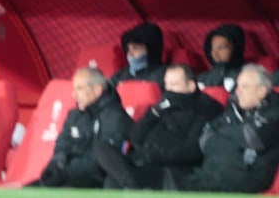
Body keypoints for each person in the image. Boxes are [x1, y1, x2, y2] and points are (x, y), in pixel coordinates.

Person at [92, 62, 221, 190]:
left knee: (113, 181)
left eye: (174, 84)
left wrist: (151, 155)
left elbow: (191, 150)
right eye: (166, 84)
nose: (168, 90)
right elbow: (135, 137)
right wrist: (154, 113)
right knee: (101, 147)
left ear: (191, 86)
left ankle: (131, 183)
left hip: (172, 170)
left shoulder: (205, 108)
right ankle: (131, 182)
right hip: (145, 160)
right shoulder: (163, 104)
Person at [189, 63, 279, 193]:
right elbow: (204, 138)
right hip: (213, 173)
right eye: (238, 85)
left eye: (245, 86)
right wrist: (238, 137)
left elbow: (253, 137)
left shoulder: (274, 111)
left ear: (262, 91)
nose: (238, 91)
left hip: (248, 178)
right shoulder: (233, 108)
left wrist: (220, 135)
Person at [36, 68, 130, 188]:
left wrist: (65, 171)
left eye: (79, 89)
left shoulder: (114, 117)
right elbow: (62, 145)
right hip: (69, 173)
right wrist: (57, 164)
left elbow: (101, 161)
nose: (73, 94)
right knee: (27, 191)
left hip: (97, 179)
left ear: (97, 90)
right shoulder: (74, 115)